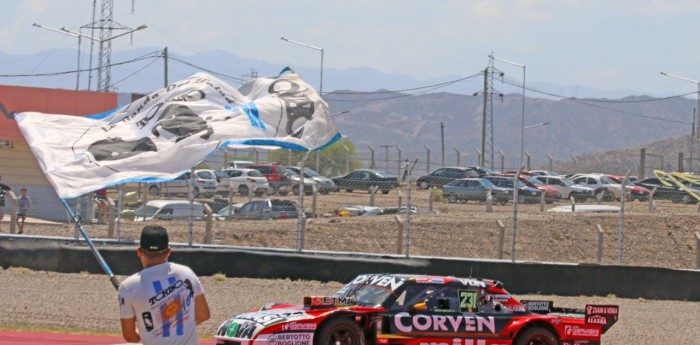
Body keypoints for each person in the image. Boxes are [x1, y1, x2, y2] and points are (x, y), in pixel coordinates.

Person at [118, 226, 211, 344]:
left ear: (139, 252)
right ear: (168, 252)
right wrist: (175, 325)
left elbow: (130, 336)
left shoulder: (128, 286)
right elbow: (203, 314)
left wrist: (145, 332)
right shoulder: (186, 273)